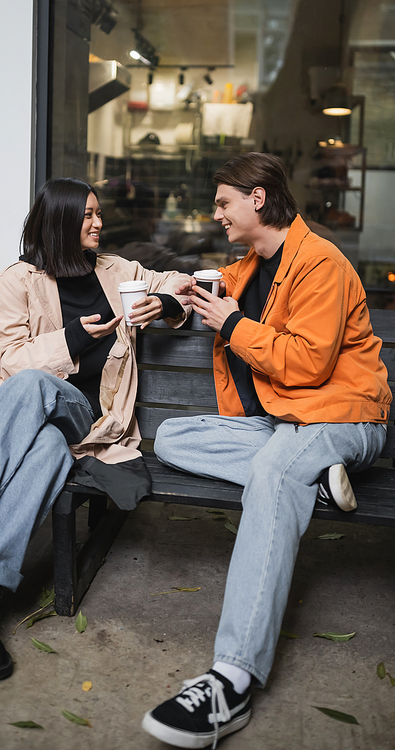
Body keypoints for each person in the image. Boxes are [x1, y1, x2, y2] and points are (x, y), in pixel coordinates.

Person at [142, 153, 391, 748]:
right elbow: (216, 289)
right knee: (173, 436)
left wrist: (231, 326)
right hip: (288, 425)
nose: (216, 213)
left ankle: (231, 681)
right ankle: (317, 472)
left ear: (258, 199)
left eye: (225, 202)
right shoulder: (255, 265)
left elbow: (307, 364)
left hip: (343, 417)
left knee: (277, 475)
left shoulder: (321, 262)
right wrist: (178, 301)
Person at [0, 177, 190, 681]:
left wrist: (165, 305)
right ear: (59, 221)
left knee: (38, 391)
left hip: (89, 418)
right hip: (30, 419)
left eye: (98, 214)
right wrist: (75, 336)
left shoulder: (118, 271)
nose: (99, 223)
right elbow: (10, 359)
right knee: (46, 442)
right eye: (88, 216)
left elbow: (175, 281)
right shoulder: (19, 279)